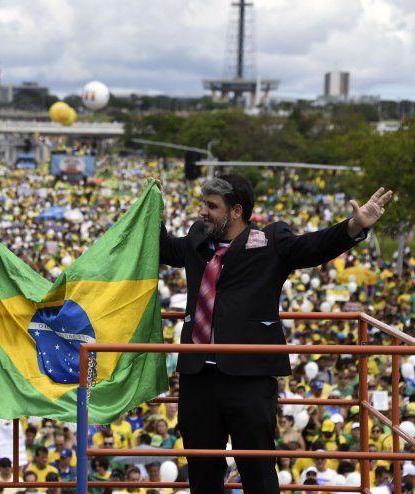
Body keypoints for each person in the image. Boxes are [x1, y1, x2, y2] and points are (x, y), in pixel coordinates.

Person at [157, 174, 393, 494]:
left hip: (250, 378)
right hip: (198, 378)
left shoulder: (271, 241)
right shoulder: (198, 238)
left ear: (236, 210)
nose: (203, 211)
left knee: (258, 470)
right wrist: (151, 210)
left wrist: (354, 226)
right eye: (203, 204)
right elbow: (166, 248)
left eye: (211, 206)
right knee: (202, 471)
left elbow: (313, 247)